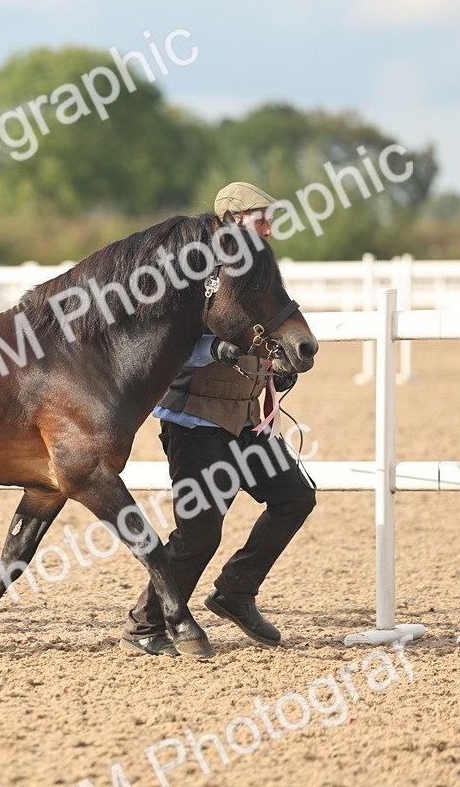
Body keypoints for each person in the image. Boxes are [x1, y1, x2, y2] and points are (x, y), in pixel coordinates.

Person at [120, 182, 317, 656]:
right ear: (232, 218)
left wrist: (274, 363)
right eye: (258, 217)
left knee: (295, 497)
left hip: (247, 417)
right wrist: (217, 348)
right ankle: (145, 625)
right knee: (199, 534)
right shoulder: (192, 265)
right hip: (195, 421)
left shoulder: (256, 267)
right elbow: (166, 335)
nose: (268, 227)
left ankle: (235, 592)